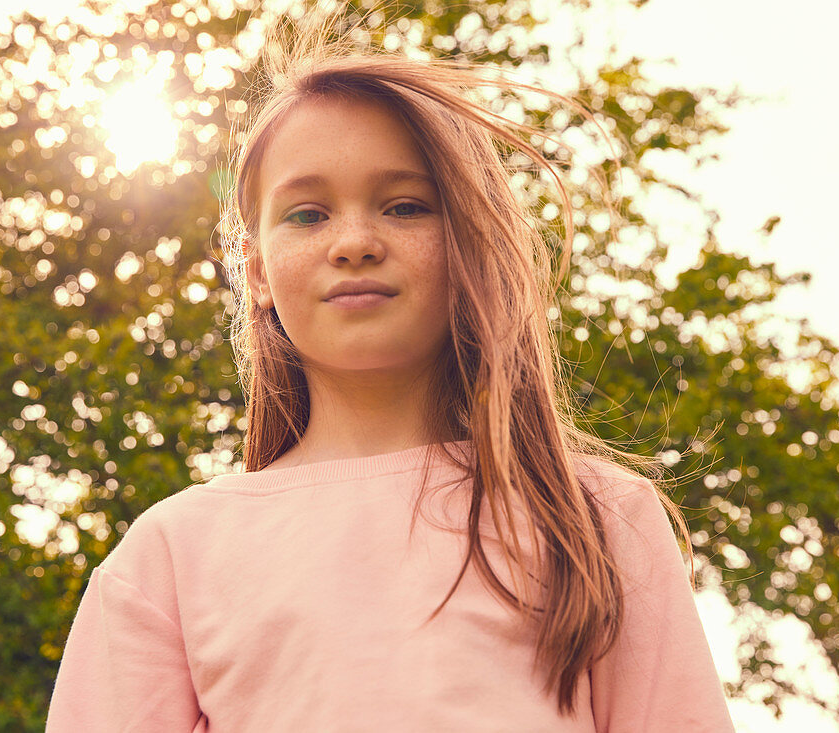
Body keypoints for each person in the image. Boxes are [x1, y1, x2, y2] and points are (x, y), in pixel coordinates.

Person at [46, 11, 735, 733]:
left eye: (404, 206)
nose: (354, 242)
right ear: (256, 269)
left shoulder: (595, 517)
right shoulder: (169, 556)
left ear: (467, 239)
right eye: (308, 214)